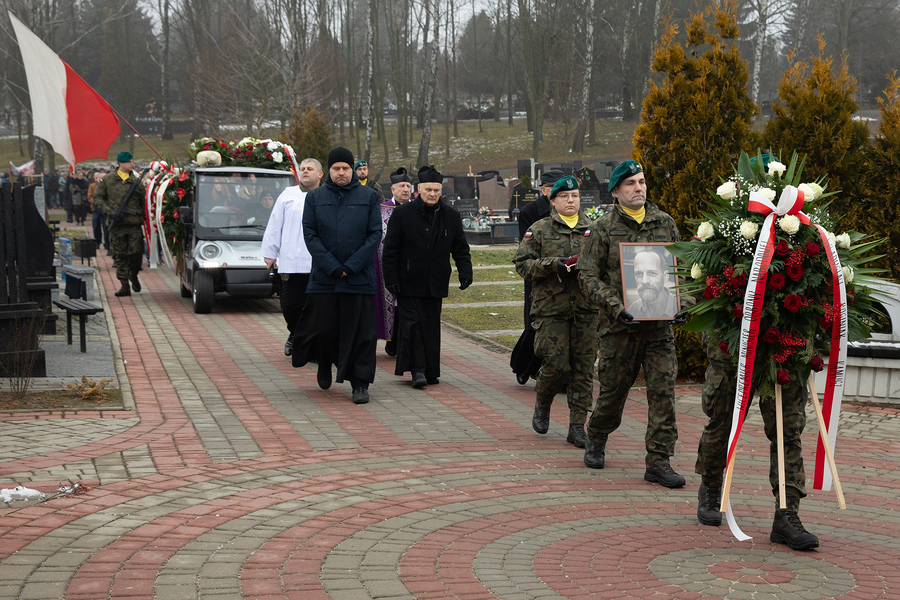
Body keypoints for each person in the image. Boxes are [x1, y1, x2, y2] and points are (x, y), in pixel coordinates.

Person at [577, 159, 688, 487]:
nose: (639, 188)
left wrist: (684, 304)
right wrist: (614, 306)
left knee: (663, 391)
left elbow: (681, 269)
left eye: (641, 182)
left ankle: (659, 460)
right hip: (619, 329)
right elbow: (586, 274)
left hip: (659, 330)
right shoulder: (603, 229)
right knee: (613, 392)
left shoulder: (665, 223)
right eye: (631, 184)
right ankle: (596, 435)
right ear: (616, 191)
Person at [694, 340, 819, 550]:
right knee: (723, 421)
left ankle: (786, 513)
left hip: (788, 341)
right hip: (736, 339)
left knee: (787, 429)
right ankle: (710, 485)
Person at [291, 147, 381, 404]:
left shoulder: (369, 196)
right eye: (336, 168)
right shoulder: (315, 198)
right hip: (325, 278)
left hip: (359, 278)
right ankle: (324, 362)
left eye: (345, 168)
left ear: (353, 170)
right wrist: (332, 266)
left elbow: (375, 234)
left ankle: (360, 383)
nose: (341, 172)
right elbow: (310, 234)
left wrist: (351, 266)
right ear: (328, 171)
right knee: (323, 328)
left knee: (362, 334)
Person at [514, 176, 599, 447]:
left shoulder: (594, 230)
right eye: (564, 196)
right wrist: (554, 265)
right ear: (553, 200)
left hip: (586, 309)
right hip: (551, 309)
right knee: (555, 364)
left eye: (574, 196)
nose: (571, 200)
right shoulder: (539, 229)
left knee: (584, 370)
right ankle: (543, 401)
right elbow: (522, 264)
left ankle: (577, 427)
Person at [382, 165, 472, 388]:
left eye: (436, 190)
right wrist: (390, 278)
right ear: (418, 189)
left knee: (431, 327)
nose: (432, 194)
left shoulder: (450, 216)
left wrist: (465, 271)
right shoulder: (403, 214)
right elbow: (390, 249)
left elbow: (460, 247)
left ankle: (431, 370)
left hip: (436, 281)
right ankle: (417, 370)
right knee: (413, 326)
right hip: (408, 281)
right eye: (428, 189)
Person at [262, 158, 323, 356]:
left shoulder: (327, 195)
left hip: (318, 263)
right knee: (290, 306)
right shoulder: (288, 195)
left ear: (320, 174)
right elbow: (275, 223)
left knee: (314, 308)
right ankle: (294, 333)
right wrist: (270, 252)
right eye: (302, 169)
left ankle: (308, 343)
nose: (305, 171)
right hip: (291, 261)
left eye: (310, 169)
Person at [510, 169, 565, 385]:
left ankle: (550, 374)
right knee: (534, 325)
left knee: (558, 327)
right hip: (538, 274)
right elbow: (528, 248)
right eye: (555, 189)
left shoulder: (572, 210)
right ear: (544, 190)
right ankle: (524, 365)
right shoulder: (529, 212)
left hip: (565, 274)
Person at [94, 151, 146, 297]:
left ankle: (133, 274)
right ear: (121, 163)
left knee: (136, 253)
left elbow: (143, 201)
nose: (132, 164)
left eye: (132, 161)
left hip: (134, 224)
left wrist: (146, 219)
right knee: (119, 256)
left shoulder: (136, 181)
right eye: (130, 162)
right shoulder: (108, 180)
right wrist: (110, 212)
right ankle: (124, 286)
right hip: (117, 225)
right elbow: (98, 199)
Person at [377, 167, 414, 357]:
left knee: (408, 306)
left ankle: (404, 342)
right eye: (402, 186)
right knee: (391, 305)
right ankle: (391, 341)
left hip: (410, 267)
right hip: (387, 267)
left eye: (408, 186)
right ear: (392, 189)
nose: (406, 189)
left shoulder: (417, 208)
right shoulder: (382, 209)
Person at [628, 249, 679, 318]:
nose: (644, 281)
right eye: (639, 274)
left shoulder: (678, 307)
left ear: (665, 277)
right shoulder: (632, 310)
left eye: (652, 273)